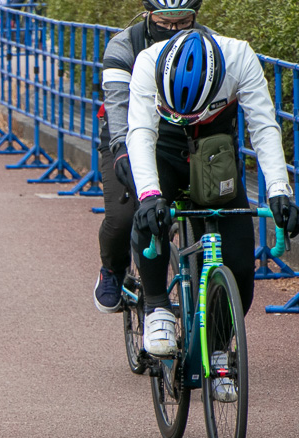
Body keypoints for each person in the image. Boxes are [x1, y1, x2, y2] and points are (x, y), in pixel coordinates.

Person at [127, 24, 298, 366]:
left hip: (215, 151)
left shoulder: (238, 57)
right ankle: (158, 305)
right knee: (148, 220)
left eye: (193, 110)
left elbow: (263, 125)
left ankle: (218, 347)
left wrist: (280, 190)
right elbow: (141, 132)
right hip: (165, 147)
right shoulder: (148, 61)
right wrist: (149, 195)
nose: (186, 118)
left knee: (239, 267)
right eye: (179, 111)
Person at [92, 0, 206, 313]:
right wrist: (120, 151)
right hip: (125, 133)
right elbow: (116, 103)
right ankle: (112, 270)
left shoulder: (207, 42)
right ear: (148, 15)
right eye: (164, 22)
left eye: (182, 23)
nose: (172, 31)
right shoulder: (123, 44)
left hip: (182, 136)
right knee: (125, 216)